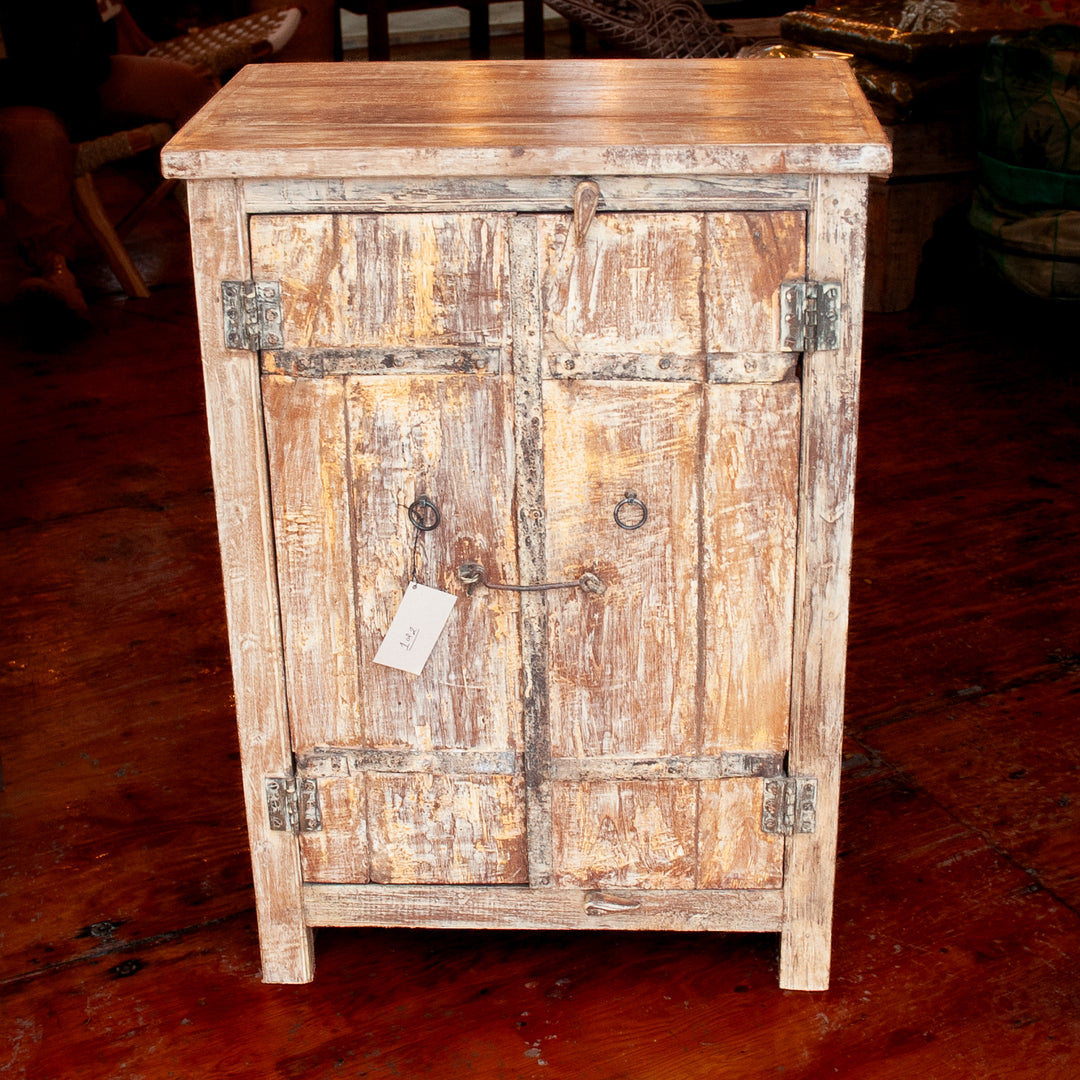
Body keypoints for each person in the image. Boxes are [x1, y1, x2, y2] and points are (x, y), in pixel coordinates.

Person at [0, 2, 214, 341]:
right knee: (34, 135)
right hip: (19, 101)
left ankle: (222, 223)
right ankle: (55, 272)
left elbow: (90, 51)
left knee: (188, 86)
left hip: (78, 80)